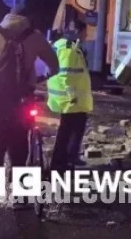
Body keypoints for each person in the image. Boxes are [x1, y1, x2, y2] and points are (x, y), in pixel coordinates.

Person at [0, 5, 58, 212]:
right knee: (20, 148)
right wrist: (43, 77)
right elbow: (54, 63)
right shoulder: (35, 36)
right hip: (23, 99)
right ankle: (21, 198)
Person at [47, 21, 93, 171]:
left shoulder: (64, 46)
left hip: (70, 98)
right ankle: (62, 163)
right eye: (84, 32)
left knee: (70, 130)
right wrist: (71, 95)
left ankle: (68, 160)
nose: (86, 35)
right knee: (68, 131)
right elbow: (65, 74)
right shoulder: (68, 50)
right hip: (71, 100)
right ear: (77, 32)